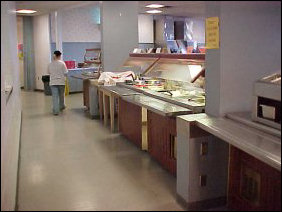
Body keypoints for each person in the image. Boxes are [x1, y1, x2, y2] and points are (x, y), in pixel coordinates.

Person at [48, 50, 68, 115]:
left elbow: (48, 72)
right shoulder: (62, 63)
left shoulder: (50, 64)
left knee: (55, 97)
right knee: (61, 95)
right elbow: (66, 72)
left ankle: (56, 111)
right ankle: (61, 106)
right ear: (59, 56)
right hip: (61, 82)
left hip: (53, 82)